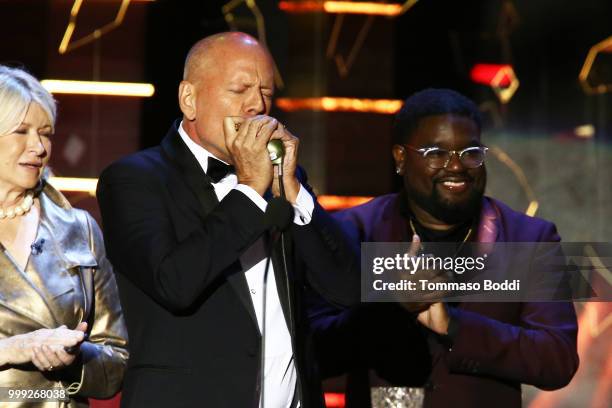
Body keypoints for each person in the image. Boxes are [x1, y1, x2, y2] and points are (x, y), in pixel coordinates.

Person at [96, 32, 358, 407]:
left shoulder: (282, 179)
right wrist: (250, 189)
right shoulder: (134, 179)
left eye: (266, 92)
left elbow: (346, 289)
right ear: (190, 99)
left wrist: (294, 193)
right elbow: (174, 283)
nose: (257, 104)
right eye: (241, 89)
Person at [309, 88, 579, 407]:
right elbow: (312, 349)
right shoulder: (356, 230)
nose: (456, 166)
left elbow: (557, 358)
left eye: (470, 152)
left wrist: (454, 326)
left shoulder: (529, 238)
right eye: (436, 153)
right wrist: (390, 308)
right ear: (400, 158)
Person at [0, 66, 128, 407]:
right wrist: (13, 348)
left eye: (46, 133)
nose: (39, 147)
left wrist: (74, 359)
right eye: (22, 131)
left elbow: (117, 360)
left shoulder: (79, 229)